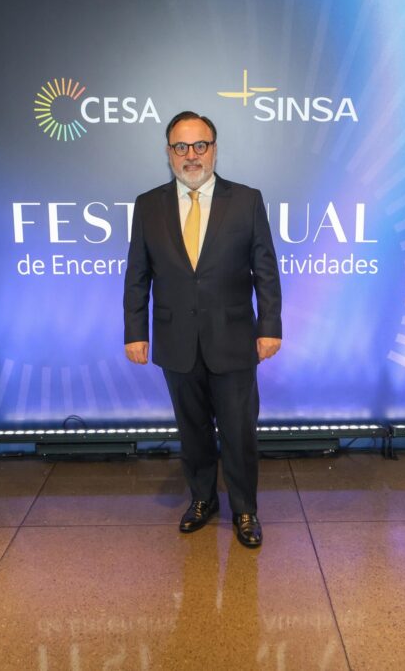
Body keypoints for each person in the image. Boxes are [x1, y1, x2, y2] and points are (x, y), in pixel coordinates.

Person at [123, 111, 282, 548]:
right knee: (191, 430)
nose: (190, 155)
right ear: (168, 152)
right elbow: (137, 275)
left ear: (214, 149)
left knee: (238, 431)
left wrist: (270, 326)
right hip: (176, 340)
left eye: (199, 145)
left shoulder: (246, 200)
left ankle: (245, 510)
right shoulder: (148, 205)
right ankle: (202, 499)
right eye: (181, 147)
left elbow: (266, 271)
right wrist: (135, 332)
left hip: (233, 339)